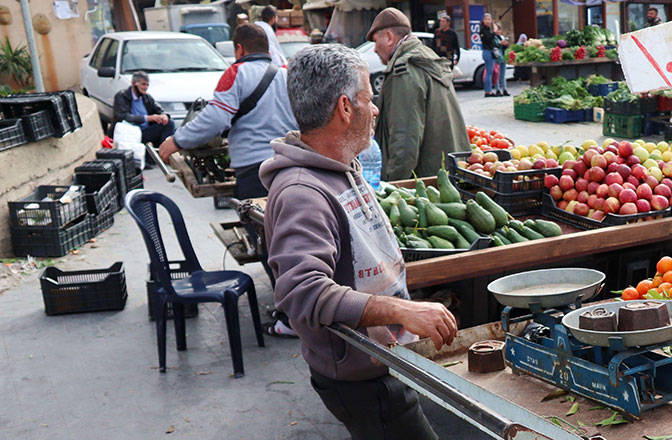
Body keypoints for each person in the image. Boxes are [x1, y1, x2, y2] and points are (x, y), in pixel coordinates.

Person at [262, 44, 457, 440]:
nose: (376, 109)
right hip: (363, 379)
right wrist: (400, 310)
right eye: (369, 98)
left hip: (384, 359)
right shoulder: (303, 192)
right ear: (345, 109)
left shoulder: (340, 169)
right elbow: (302, 292)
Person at [159, 23, 296, 200]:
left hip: (255, 170)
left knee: (259, 224)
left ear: (239, 49)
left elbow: (215, 119)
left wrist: (176, 140)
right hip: (291, 165)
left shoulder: (236, 73)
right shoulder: (287, 76)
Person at [367, 8, 472, 181]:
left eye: (376, 41)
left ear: (389, 37)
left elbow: (405, 139)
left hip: (427, 182)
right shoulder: (425, 56)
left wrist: (393, 185)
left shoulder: (405, 70)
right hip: (446, 174)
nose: (375, 49)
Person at [112, 71, 174, 149]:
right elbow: (123, 116)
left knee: (169, 123)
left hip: (145, 131)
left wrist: (164, 116)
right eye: (143, 84)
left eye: (147, 84)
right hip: (130, 133)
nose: (146, 87)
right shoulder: (122, 96)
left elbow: (159, 110)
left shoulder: (146, 97)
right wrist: (148, 118)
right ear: (134, 83)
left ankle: (164, 150)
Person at [479, 13, 506, 97]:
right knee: (489, 72)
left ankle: (489, 90)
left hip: (490, 51)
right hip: (487, 51)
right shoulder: (483, 29)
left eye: (489, 19)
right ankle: (488, 91)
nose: (487, 21)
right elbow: (488, 39)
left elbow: (492, 41)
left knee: (490, 72)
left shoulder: (487, 29)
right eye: (486, 19)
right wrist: (494, 32)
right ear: (483, 20)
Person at [491, 22, 510, 96]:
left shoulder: (502, 37)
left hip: (503, 57)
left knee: (503, 75)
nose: (498, 32)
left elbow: (505, 47)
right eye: (497, 30)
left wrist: (506, 44)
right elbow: (494, 46)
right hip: (496, 57)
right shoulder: (493, 37)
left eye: (499, 30)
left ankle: (505, 89)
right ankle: (497, 89)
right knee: (497, 75)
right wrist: (500, 44)